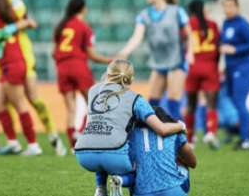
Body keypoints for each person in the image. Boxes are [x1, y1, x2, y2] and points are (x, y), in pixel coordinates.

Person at [0, 0, 66, 156]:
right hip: (0, 59)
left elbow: (29, 21)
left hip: (20, 55)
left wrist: (8, 29)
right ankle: (14, 142)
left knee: (31, 99)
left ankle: (51, 137)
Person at [75, 60, 186, 196]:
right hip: (114, 155)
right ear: (131, 80)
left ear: (108, 76)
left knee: (101, 138)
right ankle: (120, 181)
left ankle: (100, 189)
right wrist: (181, 125)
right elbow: (161, 129)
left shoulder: (93, 91)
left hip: (83, 153)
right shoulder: (136, 99)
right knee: (139, 167)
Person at [116, 0, 194, 120]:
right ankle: (156, 138)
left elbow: (190, 34)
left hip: (176, 63)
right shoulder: (144, 15)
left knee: (172, 104)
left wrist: (190, 53)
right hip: (158, 64)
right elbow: (136, 37)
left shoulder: (176, 11)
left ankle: (180, 139)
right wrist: (125, 51)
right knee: (152, 105)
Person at [0, 0, 42, 156]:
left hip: (10, 64)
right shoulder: (8, 13)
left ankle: (33, 144)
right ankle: (13, 142)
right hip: (15, 61)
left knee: (19, 104)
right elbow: (26, 22)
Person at [52, 0, 113, 152]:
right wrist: (110, 60)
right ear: (84, 9)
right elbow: (92, 55)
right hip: (79, 66)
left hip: (62, 68)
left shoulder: (60, 27)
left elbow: (53, 52)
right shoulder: (85, 28)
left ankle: (73, 146)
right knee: (92, 104)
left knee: (71, 108)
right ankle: (81, 132)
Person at [111, 106, 196, 196]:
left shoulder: (129, 133)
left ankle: (121, 180)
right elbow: (192, 162)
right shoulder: (175, 130)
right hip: (173, 190)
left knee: (137, 167)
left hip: (141, 192)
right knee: (181, 162)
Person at [220, 0, 249, 150]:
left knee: (239, 101)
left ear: (237, 7)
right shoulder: (225, 23)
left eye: (231, 6)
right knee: (234, 101)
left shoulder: (242, 24)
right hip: (231, 69)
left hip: (243, 68)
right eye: (225, 6)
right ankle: (240, 134)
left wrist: (235, 49)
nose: (228, 9)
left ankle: (247, 139)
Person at [183, 0, 221, 149]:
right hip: (210, 67)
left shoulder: (188, 24)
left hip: (193, 67)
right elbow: (218, 47)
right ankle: (211, 132)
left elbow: (183, 42)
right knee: (211, 104)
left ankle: (190, 140)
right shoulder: (213, 24)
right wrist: (215, 65)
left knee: (191, 105)